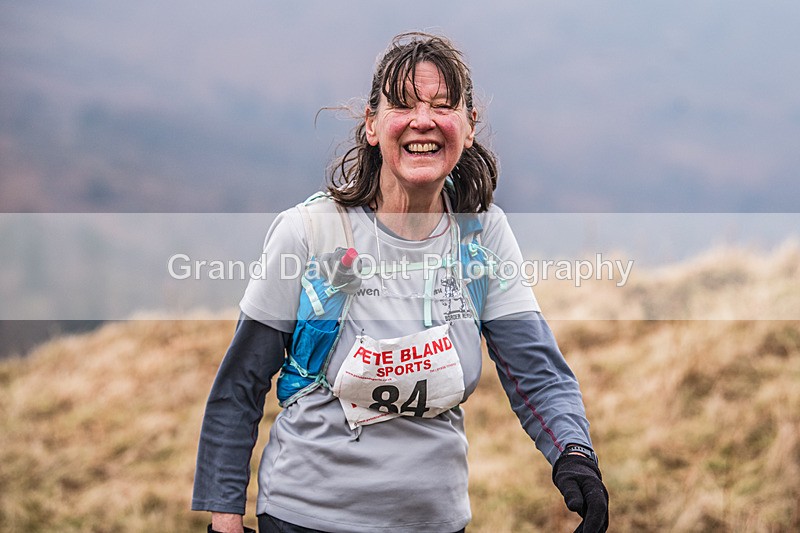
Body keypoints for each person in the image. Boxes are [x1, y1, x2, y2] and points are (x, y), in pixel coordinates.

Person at [192, 31, 609, 533]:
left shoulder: (482, 234)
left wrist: (575, 454)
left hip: (436, 522)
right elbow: (240, 383)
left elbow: (536, 371)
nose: (423, 121)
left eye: (443, 105)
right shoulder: (310, 231)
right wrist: (224, 519)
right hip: (304, 518)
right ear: (372, 124)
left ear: (469, 126)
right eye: (404, 105)